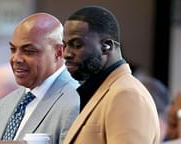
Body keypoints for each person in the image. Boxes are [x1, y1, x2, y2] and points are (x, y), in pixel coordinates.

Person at [62, 6, 160, 144]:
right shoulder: (104, 90)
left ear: (106, 46)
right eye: (64, 45)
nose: (66, 54)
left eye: (76, 44)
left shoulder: (126, 94)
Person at [0, 13, 80, 144]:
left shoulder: (77, 102)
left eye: (29, 51)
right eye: (13, 49)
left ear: (58, 53)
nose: (16, 59)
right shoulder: (3, 105)